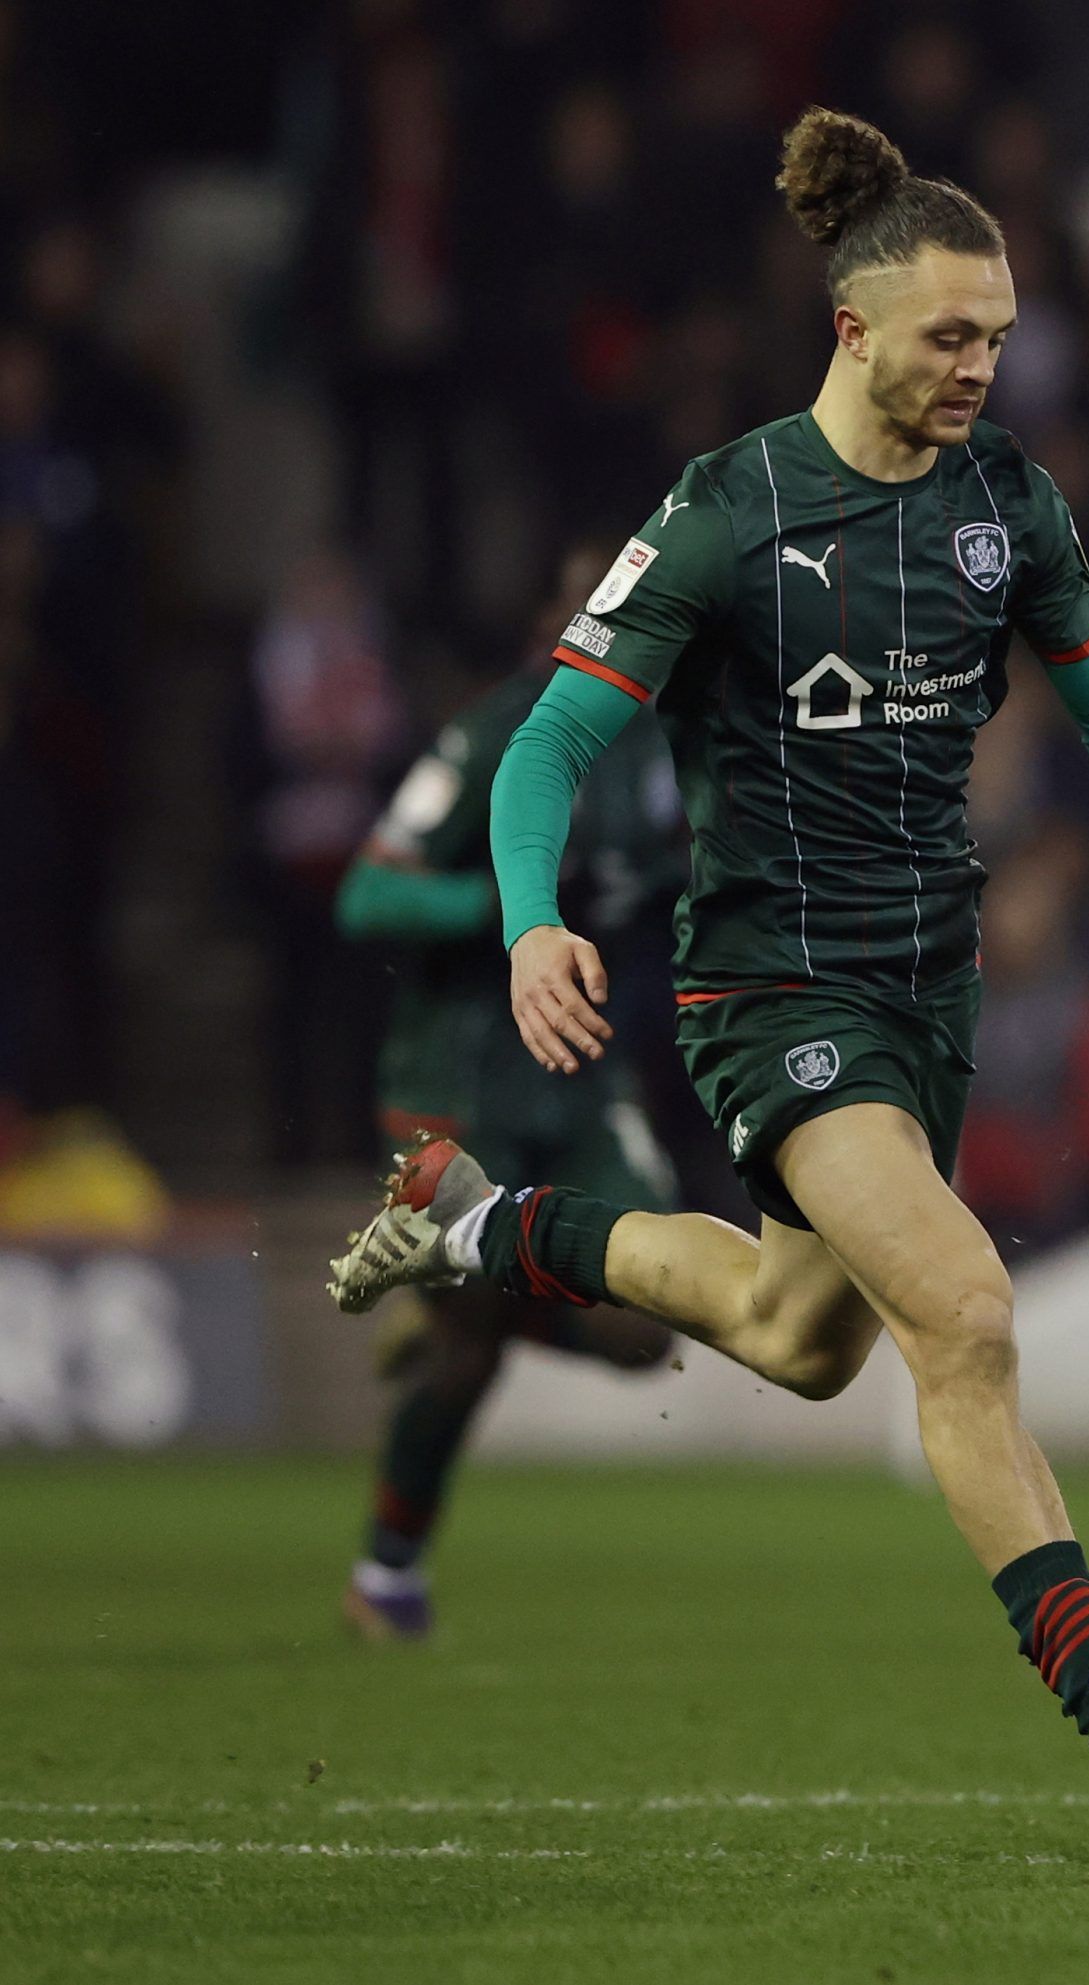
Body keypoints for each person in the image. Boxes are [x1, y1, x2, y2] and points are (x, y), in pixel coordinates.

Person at [326, 108, 1089, 1838]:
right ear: (853, 326)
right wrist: (532, 916)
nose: (984, 364)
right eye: (950, 336)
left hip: (930, 994)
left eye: (996, 333)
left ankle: (475, 1223)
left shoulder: (1010, 505)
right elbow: (546, 744)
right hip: (772, 993)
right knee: (968, 1319)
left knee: (794, 1332)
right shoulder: (728, 510)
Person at [334, 543, 686, 1641]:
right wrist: (508, 903)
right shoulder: (498, 731)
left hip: (576, 1077)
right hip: (454, 1073)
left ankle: (459, 1281)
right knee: (466, 1345)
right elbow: (366, 895)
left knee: (646, 1325)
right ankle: (385, 1574)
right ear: (558, 619)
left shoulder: (667, 742)